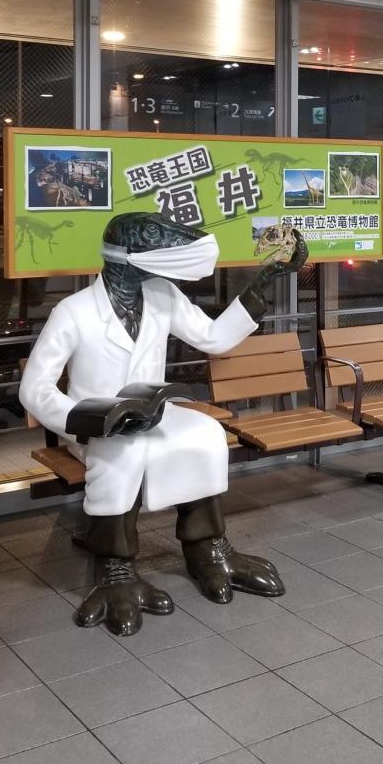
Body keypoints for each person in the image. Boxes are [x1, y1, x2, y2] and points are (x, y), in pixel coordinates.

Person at [19, 212, 307, 635]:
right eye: (154, 235)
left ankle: (209, 548)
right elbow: (35, 389)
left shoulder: (162, 295)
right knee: (123, 452)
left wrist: (265, 280)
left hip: (153, 413)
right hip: (94, 425)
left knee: (206, 434)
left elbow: (213, 338)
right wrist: (85, 420)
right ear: (124, 252)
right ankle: (115, 569)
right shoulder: (73, 311)